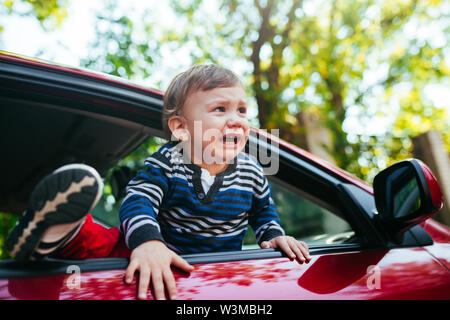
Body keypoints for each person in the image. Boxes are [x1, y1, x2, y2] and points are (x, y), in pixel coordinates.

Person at [6, 64, 311, 300]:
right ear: (181, 128)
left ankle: (57, 235)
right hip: (156, 253)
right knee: (109, 242)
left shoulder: (252, 170)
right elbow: (138, 200)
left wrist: (272, 237)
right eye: (220, 109)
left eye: (242, 110)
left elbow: (263, 212)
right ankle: (60, 231)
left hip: (213, 268)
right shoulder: (168, 162)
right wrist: (149, 243)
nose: (237, 120)